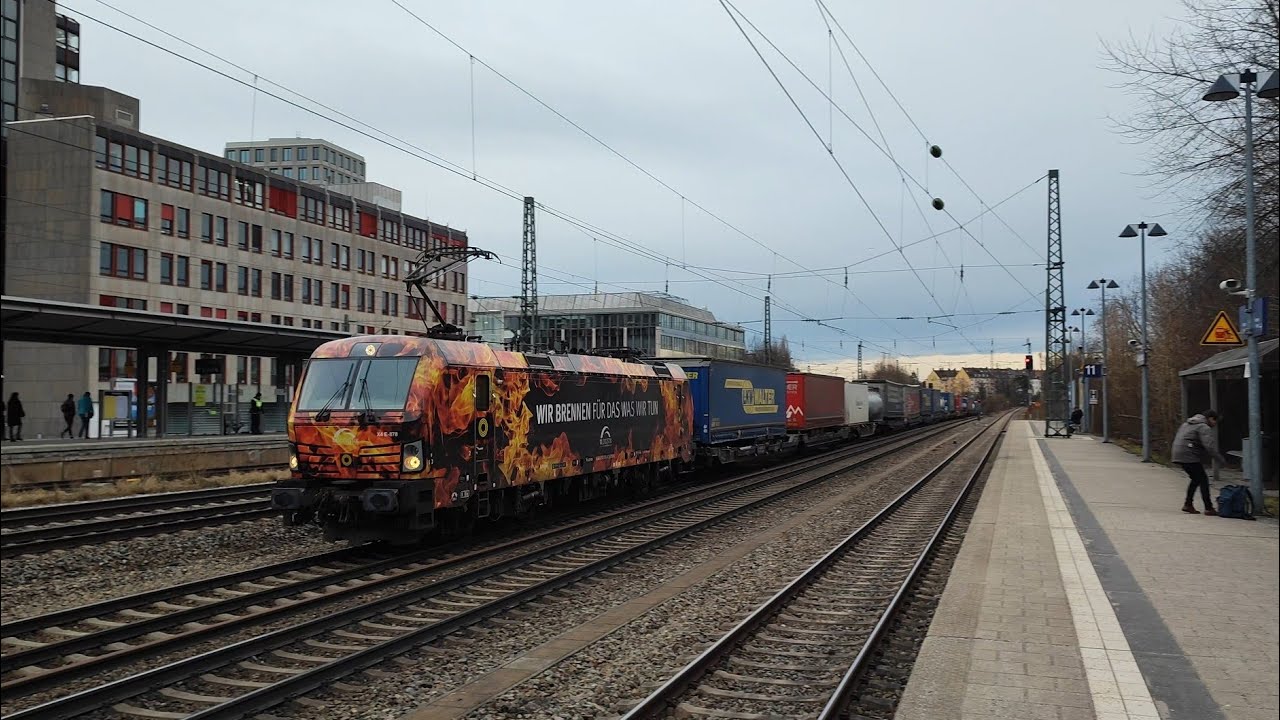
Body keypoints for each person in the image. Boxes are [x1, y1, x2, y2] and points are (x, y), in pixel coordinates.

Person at [1171, 409, 1228, 516]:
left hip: (1178, 454)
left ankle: (1188, 504)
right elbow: (1209, 447)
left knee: (1196, 479)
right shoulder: (1203, 427)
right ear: (1211, 418)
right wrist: (1220, 459)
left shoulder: (1186, 424)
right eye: (1215, 421)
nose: (1215, 425)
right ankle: (1208, 508)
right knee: (1203, 480)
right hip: (1188, 455)